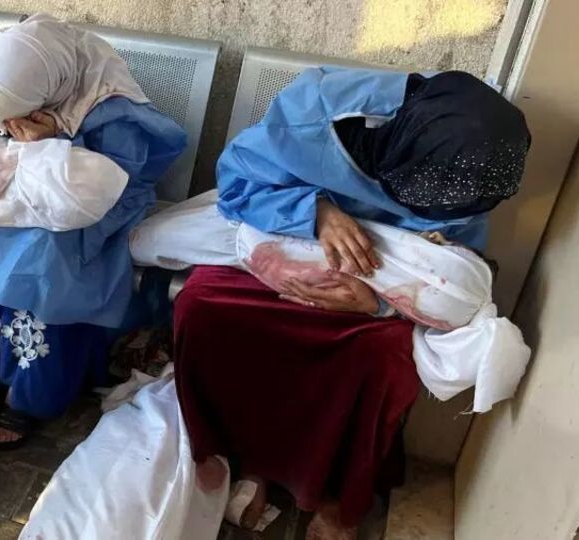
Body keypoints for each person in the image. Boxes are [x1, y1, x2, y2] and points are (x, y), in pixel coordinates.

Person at [175, 69, 529, 539]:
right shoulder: (318, 117)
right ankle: (248, 462)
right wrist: (317, 213)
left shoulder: (471, 173)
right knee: (202, 306)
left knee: (383, 357)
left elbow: (451, 269)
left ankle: (334, 493)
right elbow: (240, 184)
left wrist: (378, 306)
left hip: (373, 296)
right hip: (281, 243)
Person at [0, 15, 187, 450]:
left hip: (84, 205)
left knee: (45, 254)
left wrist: (58, 137)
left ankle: (33, 395)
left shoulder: (103, 96)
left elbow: (123, 177)